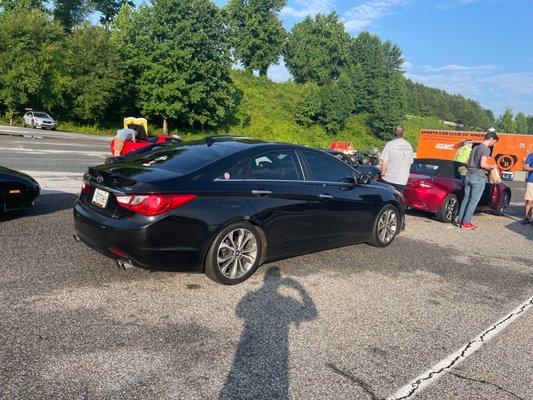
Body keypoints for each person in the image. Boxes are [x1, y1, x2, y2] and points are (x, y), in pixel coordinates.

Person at [455, 131, 499, 229]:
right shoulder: (486, 149)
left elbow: (467, 161)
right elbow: (483, 164)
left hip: (468, 175)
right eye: (494, 142)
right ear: (490, 139)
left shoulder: (475, 148)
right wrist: (492, 166)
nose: (493, 144)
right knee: (473, 201)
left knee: (466, 198)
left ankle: (459, 220)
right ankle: (466, 222)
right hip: (478, 177)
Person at [380, 125, 414, 193]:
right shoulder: (409, 146)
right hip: (402, 180)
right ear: (403, 134)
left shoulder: (390, 144)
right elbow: (410, 162)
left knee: (387, 199)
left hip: (389, 179)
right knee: (398, 199)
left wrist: (382, 174)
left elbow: (384, 162)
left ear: (394, 133)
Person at [521, 151, 533, 225]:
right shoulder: (531, 156)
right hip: (531, 181)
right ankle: (526, 218)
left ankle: (532, 219)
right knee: (529, 201)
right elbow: (525, 167)